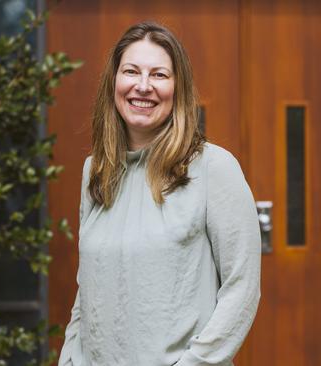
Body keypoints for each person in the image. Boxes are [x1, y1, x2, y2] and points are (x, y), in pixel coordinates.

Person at [58, 21, 261, 366]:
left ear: (178, 88)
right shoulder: (96, 170)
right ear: (114, 82)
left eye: (159, 75)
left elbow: (242, 287)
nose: (143, 86)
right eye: (131, 71)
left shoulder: (214, 168)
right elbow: (88, 288)